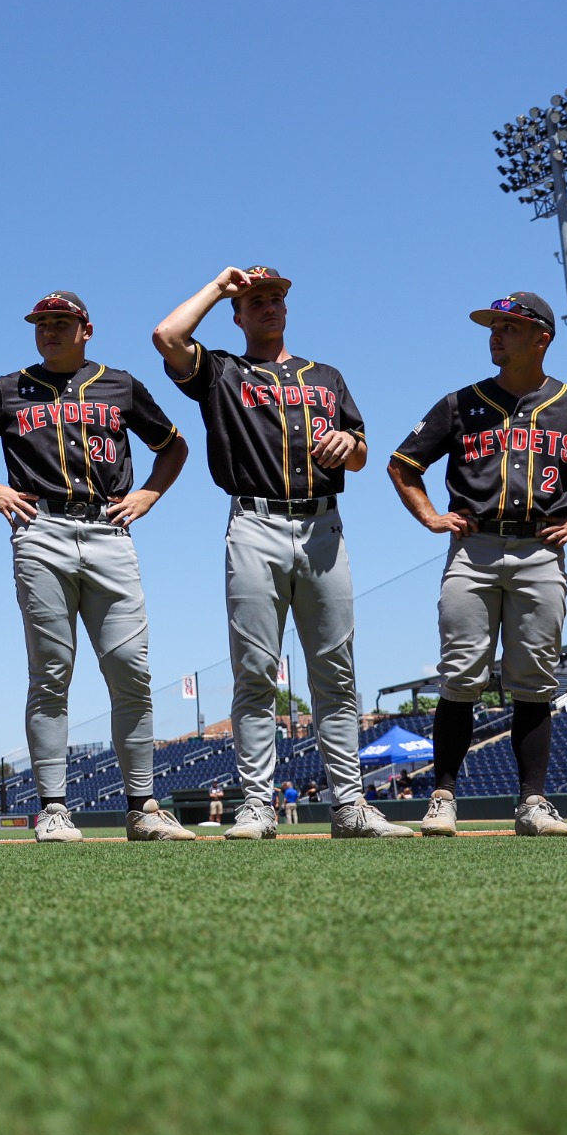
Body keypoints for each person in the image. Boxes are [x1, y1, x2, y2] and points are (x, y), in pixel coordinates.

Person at [153, 265, 412, 839]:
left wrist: (349, 443)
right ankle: (256, 806)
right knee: (255, 672)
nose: (269, 306)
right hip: (254, 524)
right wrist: (219, 286)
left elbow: (361, 453)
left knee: (335, 672)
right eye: (256, 300)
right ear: (237, 315)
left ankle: (350, 806)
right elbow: (167, 336)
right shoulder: (222, 370)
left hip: (324, 527)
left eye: (276, 298)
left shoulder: (327, 375)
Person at [0, 291, 195, 844]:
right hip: (42, 532)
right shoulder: (9, 388)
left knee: (130, 669)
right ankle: (53, 809)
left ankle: (144, 808)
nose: (49, 330)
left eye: (61, 322)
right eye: (41, 323)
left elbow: (174, 446)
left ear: (86, 329)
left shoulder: (120, 384)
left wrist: (149, 494)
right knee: (51, 672)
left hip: (109, 530)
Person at [387, 290, 567, 838]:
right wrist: (430, 516)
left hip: (541, 550)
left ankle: (533, 803)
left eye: (508, 327)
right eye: (492, 327)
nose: (495, 335)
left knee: (533, 679)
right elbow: (403, 464)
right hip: (473, 549)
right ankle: (442, 799)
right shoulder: (461, 402)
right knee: (461, 674)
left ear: (541, 338)